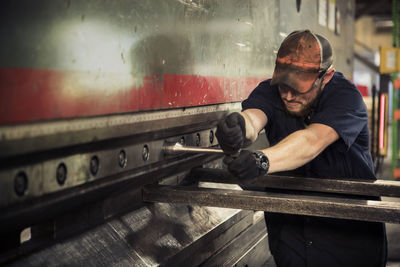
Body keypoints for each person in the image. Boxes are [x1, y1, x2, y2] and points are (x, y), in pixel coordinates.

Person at [215, 30, 387, 267]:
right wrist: (239, 126)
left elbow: (312, 141)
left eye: (298, 87)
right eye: (283, 84)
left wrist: (261, 161)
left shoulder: (345, 96)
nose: (287, 94)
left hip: (347, 239)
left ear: (325, 77)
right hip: (291, 237)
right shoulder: (271, 90)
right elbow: (255, 118)